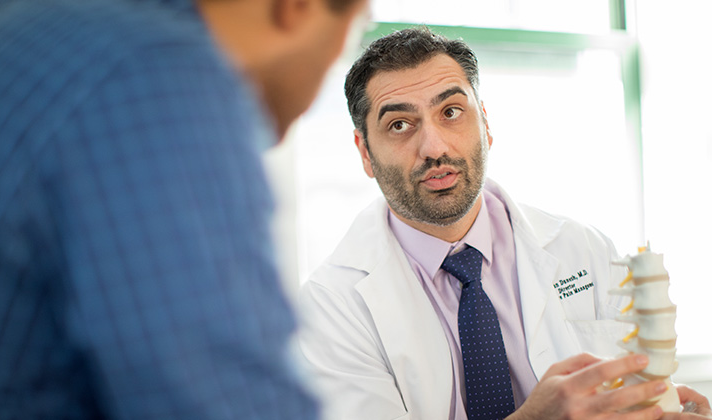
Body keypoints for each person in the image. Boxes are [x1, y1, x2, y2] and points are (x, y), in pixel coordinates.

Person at [0, 0, 367, 418]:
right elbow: (225, 399)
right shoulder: (157, 75)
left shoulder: (2, 26)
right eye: (344, 45)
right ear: (296, 7)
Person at [296, 27, 711, 420]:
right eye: (399, 124)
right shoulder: (330, 307)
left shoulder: (584, 249)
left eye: (452, 111)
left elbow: (637, 395)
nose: (434, 147)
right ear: (365, 153)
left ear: (486, 125)